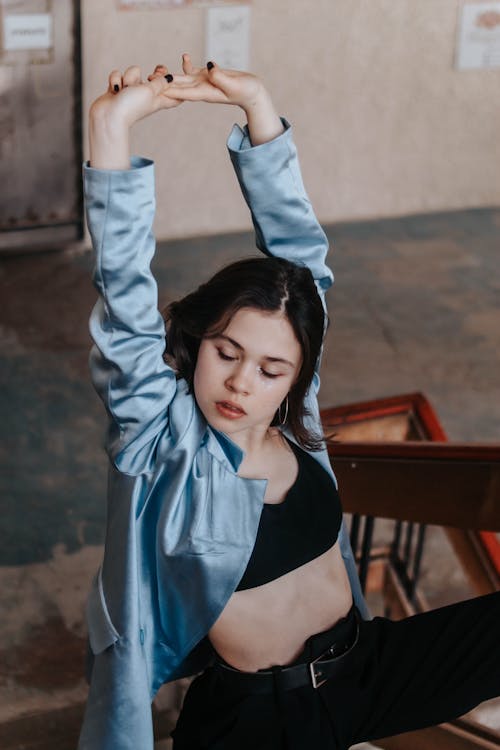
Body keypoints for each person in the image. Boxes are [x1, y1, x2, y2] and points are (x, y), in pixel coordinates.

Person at [79, 55, 500, 750]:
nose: (244, 384)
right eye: (226, 353)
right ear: (195, 340)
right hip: (262, 718)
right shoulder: (163, 439)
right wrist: (111, 128)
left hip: (366, 664)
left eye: (273, 368)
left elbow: (302, 258)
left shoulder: (296, 422)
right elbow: (123, 300)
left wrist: (258, 108)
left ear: (296, 375)